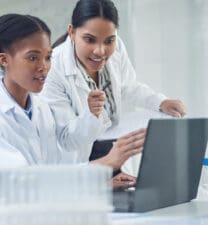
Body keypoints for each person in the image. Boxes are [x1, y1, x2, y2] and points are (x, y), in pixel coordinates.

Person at [0, 13, 145, 201]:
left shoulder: (41, 108)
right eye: (33, 58)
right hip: (0, 215)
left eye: (48, 57)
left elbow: (55, 171)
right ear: (4, 60)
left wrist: (100, 185)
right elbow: (22, 180)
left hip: (44, 208)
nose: (44, 67)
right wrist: (105, 164)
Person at [40, 0, 187, 172]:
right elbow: (66, 140)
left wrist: (160, 102)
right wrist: (91, 115)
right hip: (81, 162)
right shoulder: (52, 69)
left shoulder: (117, 47)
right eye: (90, 40)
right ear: (72, 32)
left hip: (113, 150)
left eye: (109, 41)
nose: (100, 51)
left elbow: (128, 86)